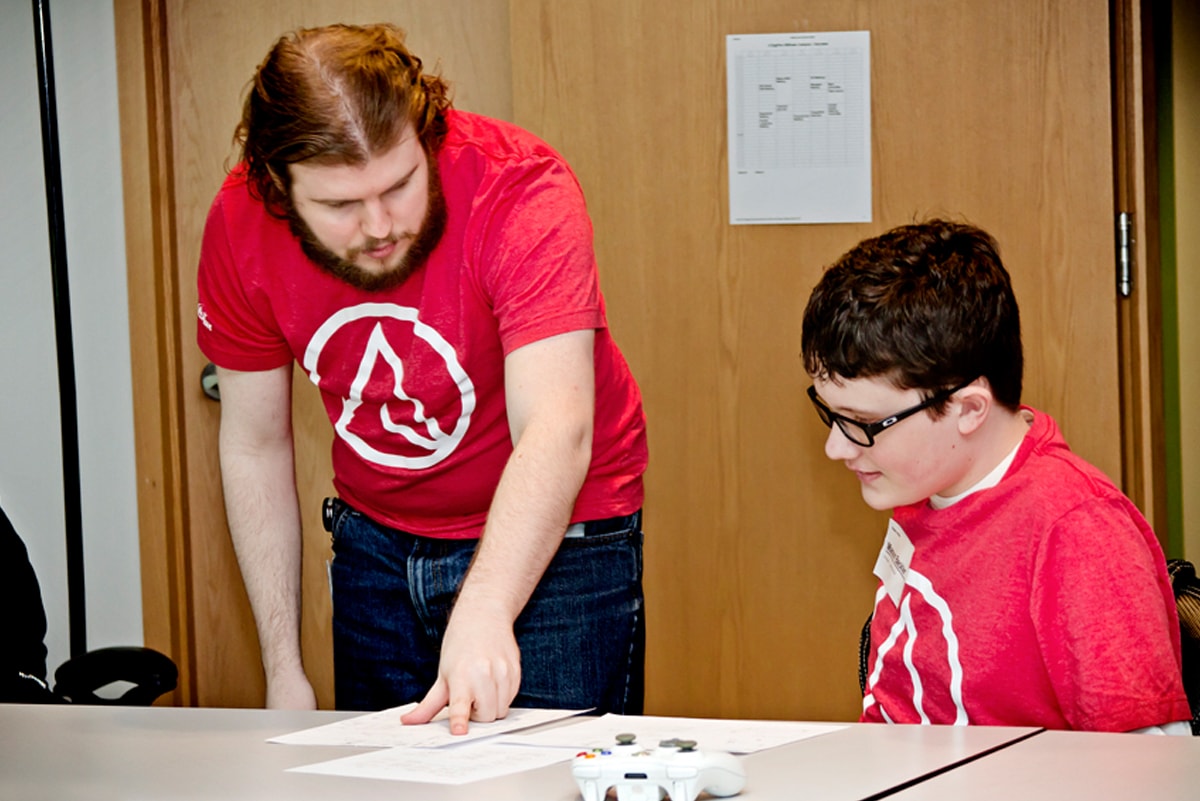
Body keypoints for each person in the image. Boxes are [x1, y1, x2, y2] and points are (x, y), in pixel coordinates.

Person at [195, 23, 648, 733]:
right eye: (340, 206)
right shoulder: (238, 223)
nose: (379, 226)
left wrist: (488, 603)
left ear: (427, 134)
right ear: (277, 186)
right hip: (376, 542)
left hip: (562, 537)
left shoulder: (520, 187)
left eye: (400, 184)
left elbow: (558, 427)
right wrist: (283, 667)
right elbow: (254, 444)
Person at [800, 219, 1191, 733]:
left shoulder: (1077, 531)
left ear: (969, 408)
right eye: (832, 415)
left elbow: (1149, 771)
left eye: (866, 424)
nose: (836, 447)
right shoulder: (931, 481)